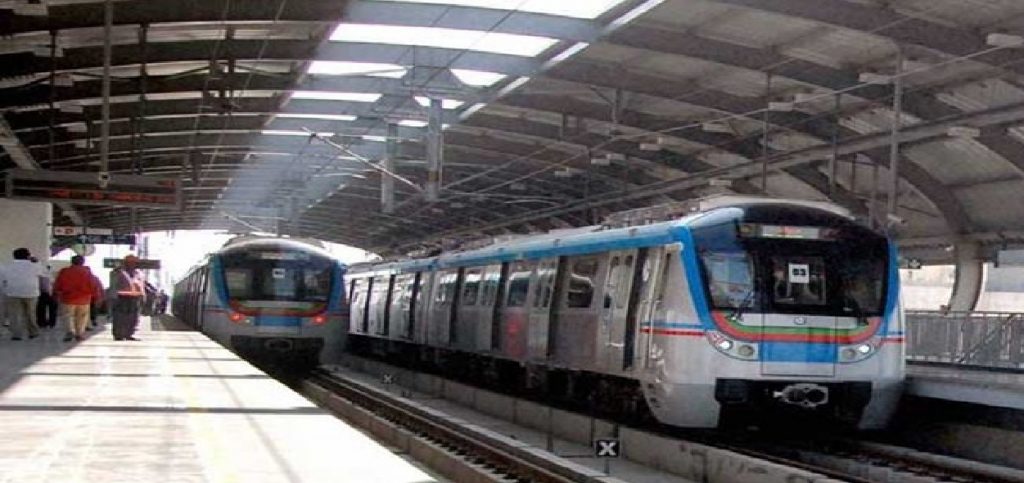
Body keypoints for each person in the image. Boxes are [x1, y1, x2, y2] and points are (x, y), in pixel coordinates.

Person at [52, 255, 102, 342]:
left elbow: (58, 283)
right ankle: (79, 333)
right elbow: (94, 285)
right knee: (82, 317)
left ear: (72, 262)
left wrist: (55, 293)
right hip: (84, 299)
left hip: (68, 298)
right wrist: (97, 296)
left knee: (67, 316)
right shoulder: (87, 272)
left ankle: (69, 331)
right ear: (83, 262)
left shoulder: (65, 271)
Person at [0, 248, 43, 340]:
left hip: (13, 292)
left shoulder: (8, 266)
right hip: (31, 292)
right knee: (30, 313)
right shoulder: (34, 266)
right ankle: (33, 332)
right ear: (28, 256)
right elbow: (42, 273)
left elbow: (4, 279)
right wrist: (37, 261)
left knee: (15, 314)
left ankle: (16, 334)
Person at [110, 255, 146, 341]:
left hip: (135, 298)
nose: (132, 264)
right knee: (120, 317)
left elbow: (141, 285)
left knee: (133, 317)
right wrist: (113, 298)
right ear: (125, 263)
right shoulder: (118, 272)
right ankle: (118, 335)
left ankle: (129, 334)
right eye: (129, 262)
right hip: (121, 297)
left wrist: (143, 295)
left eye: (134, 262)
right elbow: (113, 285)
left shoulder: (139, 273)